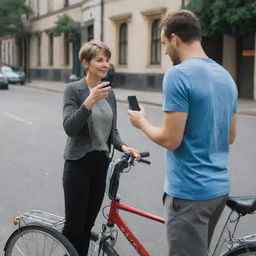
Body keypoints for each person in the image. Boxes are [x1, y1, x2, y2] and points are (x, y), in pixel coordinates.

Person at [128, 10, 238, 256]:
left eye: (164, 43)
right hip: (218, 190)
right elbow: (230, 136)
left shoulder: (178, 75)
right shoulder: (226, 77)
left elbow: (170, 139)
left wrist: (142, 122)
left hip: (190, 193)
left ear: (175, 38)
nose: (164, 50)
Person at [62, 40, 140, 256]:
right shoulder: (74, 90)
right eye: (99, 60)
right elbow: (69, 128)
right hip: (78, 165)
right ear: (86, 63)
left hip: (100, 166)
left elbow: (112, 132)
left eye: (107, 60)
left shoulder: (109, 93)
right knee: (73, 227)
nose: (105, 64)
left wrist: (125, 147)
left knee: (87, 228)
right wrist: (88, 102)